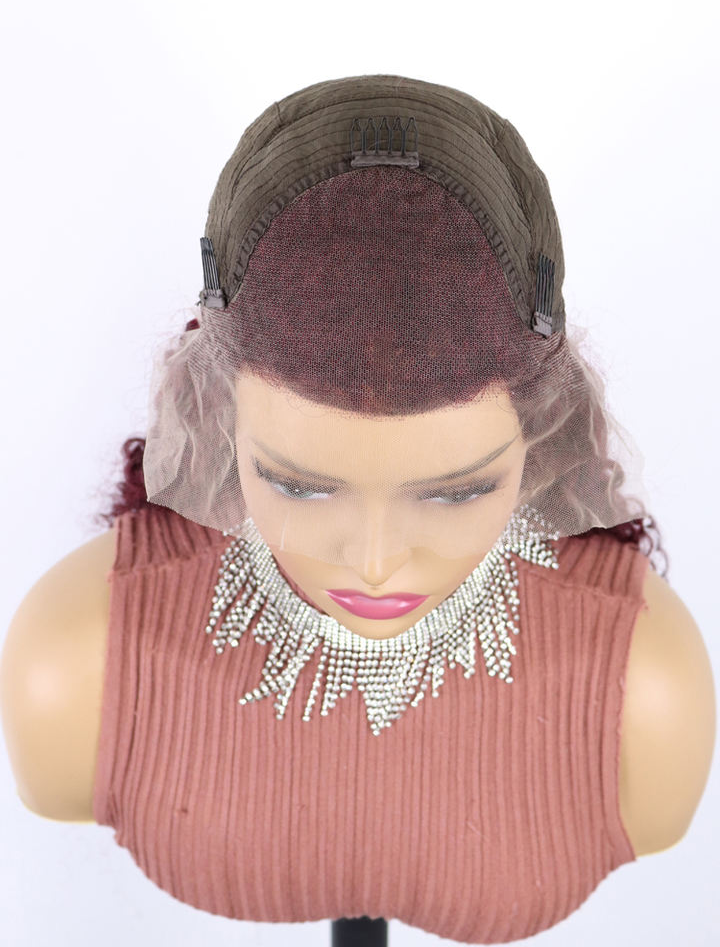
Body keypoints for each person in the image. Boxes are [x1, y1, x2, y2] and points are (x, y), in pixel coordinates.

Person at [1, 74, 715, 944]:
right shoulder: (78, 666)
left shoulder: (643, 692)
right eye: (299, 485)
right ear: (218, 417)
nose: (374, 562)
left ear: (542, 434)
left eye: (457, 491)